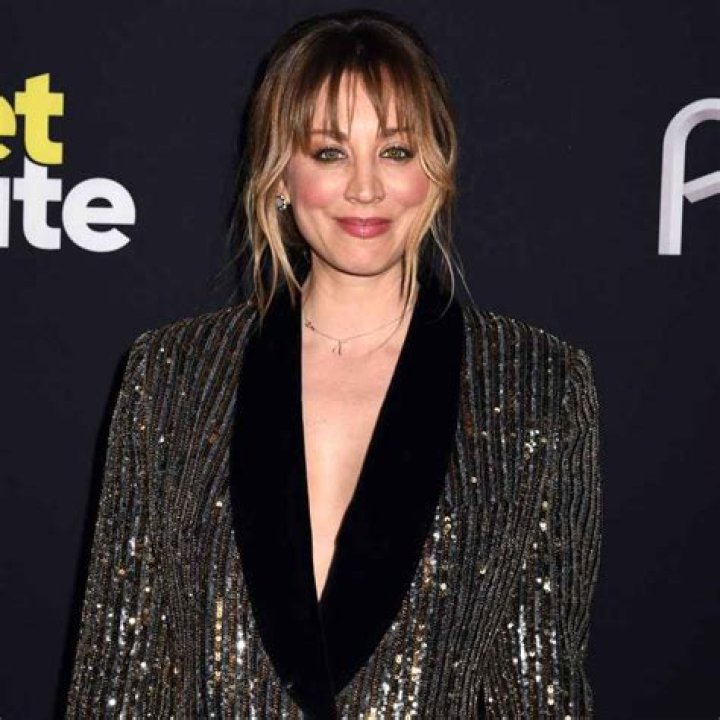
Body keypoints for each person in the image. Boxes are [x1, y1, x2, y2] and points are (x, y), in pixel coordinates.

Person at [65, 9, 602, 719]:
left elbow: (538, 689)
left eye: (396, 151)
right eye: (329, 153)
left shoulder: (537, 385)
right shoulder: (171, 377)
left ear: (437, 170)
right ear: (279, 176)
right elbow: (119, 682)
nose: (366, 188)